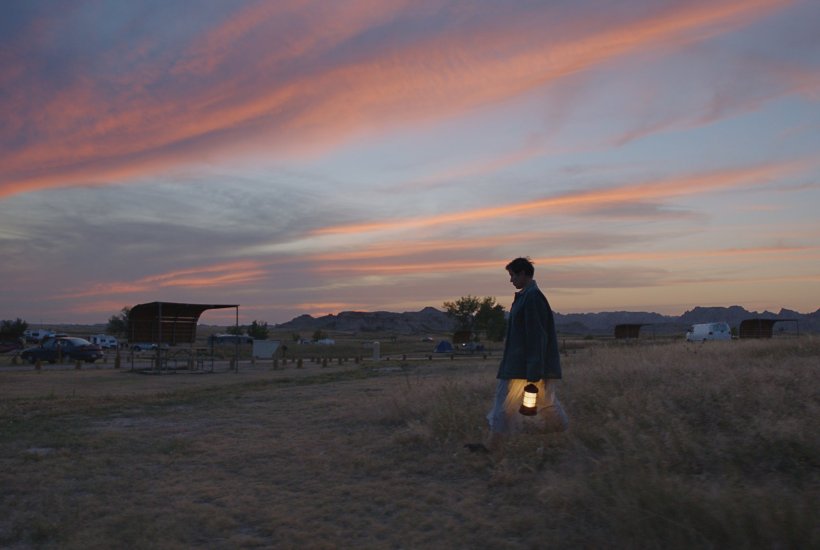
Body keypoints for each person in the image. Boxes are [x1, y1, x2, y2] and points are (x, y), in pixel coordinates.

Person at [468, 257, 568, 454]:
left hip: (523, 365)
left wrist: (534, 370)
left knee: (515, 402)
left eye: (513, 275)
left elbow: (536, 336)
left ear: (523, 274)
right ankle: (493, 445)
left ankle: (493, 446)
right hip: (519, 363)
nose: (511, 280)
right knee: (523, 402)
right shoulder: (526, 297)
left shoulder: (532, 298)